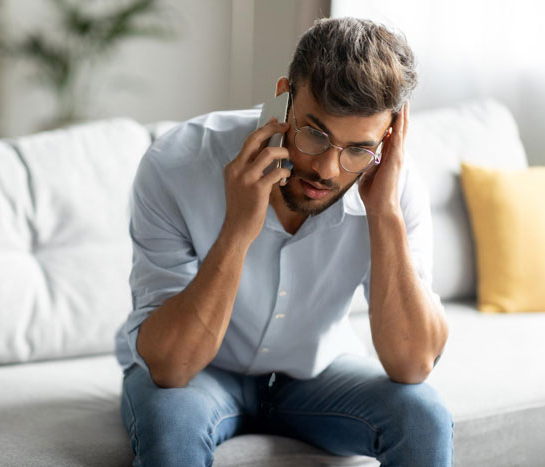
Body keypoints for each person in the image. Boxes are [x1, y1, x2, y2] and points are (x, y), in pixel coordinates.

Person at [114, 16, 453, 467]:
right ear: (283, 96)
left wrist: (384, 214)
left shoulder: (391, 184)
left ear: (389, 136)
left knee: (424, 418)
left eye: (358, 149)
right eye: (315, 134)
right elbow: (171, 366)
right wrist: (238, 228)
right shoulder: (178, 163)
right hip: (201, 375)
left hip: (316, 375)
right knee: (172, 428)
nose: (329, 170)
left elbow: (413, 365)